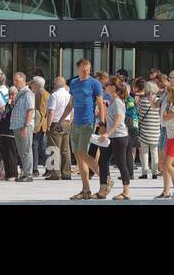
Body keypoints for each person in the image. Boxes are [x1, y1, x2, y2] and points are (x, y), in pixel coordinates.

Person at [59, 58, 105, 201]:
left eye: (88, 70)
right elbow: (71, 104)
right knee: (79, 158)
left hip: (88, 123)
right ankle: (86, 189)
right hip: (76, 124)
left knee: (81, 152)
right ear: (78, 69)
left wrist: (102, 123)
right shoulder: (73, 83)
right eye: (84, 70)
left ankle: (105, 178)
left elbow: (100, 104)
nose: (86, 72)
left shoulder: (94, 83)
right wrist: (61, 119)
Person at [97, 76, 132, 200]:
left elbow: (118, 120)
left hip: (119, 137)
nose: (105, 87)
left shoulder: (117, 102)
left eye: (107, 85)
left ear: (113, 87)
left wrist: (107, 133)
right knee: (102, 161)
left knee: (121, 163)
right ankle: (103, 189)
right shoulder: (112, 100)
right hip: (112, 137)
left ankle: (126, 191)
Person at [9, 71, 35, 183]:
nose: (14, 82)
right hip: (17, 126)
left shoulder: (28, 93)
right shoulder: (20, 93)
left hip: (24, 126)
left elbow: (30, 110)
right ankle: (25, 172)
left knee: (26, 150)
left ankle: (28, 174)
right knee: (21, 151)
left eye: (17, 80)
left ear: (23, 81)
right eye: (14, 80)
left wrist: (25, 126)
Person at [45, 76, 71, 180]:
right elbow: (72, 110)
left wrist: (48, 125)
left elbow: (51, 111)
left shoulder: (54, 95)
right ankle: (66, 173)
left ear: (56, 84)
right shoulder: (69, 95)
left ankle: (55, 173)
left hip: (56, 122)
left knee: (54, 148)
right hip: (67, 122)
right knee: (65, 149)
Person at [135, 80, 161, 180]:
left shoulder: (143, 100)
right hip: (155, 130)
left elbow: (138, 113)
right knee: (154, 152)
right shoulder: (158, 101)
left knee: (144, 152)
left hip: (145, 130)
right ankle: (155, 172)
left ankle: (144, 172)